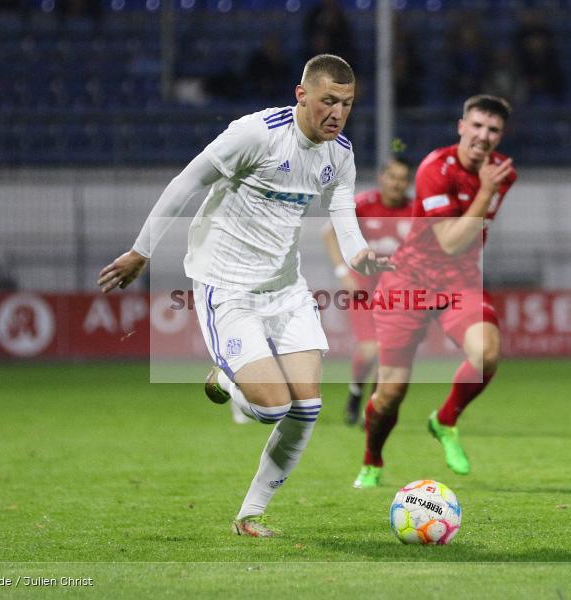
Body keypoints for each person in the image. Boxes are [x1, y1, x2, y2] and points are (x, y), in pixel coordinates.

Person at [97, 54, 389, 536]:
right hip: (228, 287)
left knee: (307, 407)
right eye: (328, 101)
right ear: (302, 95)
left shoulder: (339, 153)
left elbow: (343, 213)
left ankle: (250, 514)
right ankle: (224, 380)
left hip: (285, 289)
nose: (338, 113)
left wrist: (360, 256)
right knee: (271, 407)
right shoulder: (256, 134)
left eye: (347, 103)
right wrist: (141, 251)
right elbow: (186, 182)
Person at [353, 95, 517, 488]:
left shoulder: (503, 173)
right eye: (477, 125)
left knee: (487, 353)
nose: (484, 135)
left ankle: (445, 421)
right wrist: (484, 192)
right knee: (390, 394)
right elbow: (449, 241)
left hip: (459, 282)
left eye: (493, 129)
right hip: (408, 282)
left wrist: (486, 190)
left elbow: (469, 238)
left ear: (500, 135)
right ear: (461, 126)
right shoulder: (434, 168)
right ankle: (372, 460)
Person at [321, 156, 413, 426]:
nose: (396, 184)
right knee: (371, 351)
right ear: (382, 177)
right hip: (363, 290)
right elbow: (329, 233)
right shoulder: (363, 204)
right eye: (392, 177)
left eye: (402, 179)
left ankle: (372, 407)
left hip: (397, 294)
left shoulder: (415, 211)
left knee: (388, 354)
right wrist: (342, 272)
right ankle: (355, 391)